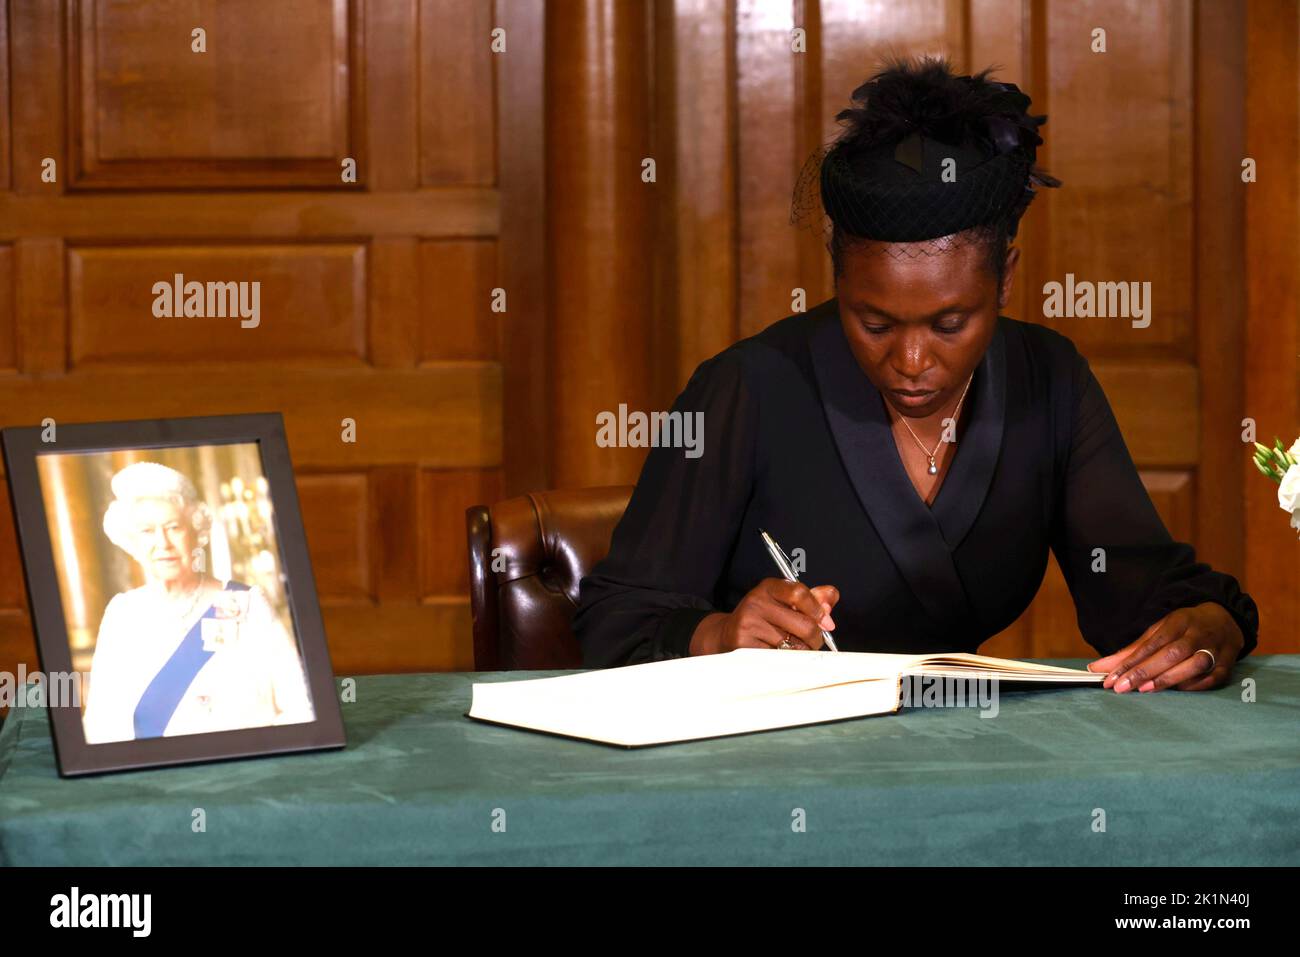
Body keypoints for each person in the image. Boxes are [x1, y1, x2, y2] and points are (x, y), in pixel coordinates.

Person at [573, 55, 1259, 694]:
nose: (909, 362)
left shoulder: (1047, 382)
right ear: (836, 277)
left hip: (967, 755)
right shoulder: (748, 389)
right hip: (770, 759)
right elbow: (614, 618)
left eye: (948, 324)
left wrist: (1208, 625)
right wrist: (718, 635)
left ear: (1007, 279)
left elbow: (1141, 598)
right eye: (874, 323)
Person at [81, 461, 315, 743]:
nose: (163, 543)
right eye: (147, 532)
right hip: (158, 775)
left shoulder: (246, 604)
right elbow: (101, 721)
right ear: (133, 543)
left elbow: (300, 704)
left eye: (174, 527)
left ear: (196, 533)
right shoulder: (122, 614)